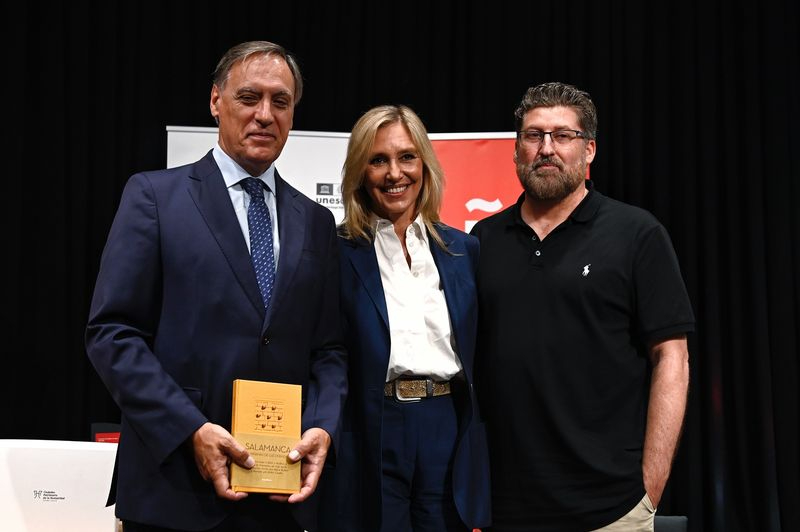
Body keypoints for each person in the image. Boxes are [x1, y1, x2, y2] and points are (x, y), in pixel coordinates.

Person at [85, 41, 347, 532]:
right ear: (215, 102)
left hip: (279, 495)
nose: (265, 115)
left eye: (281, 101)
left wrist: (322, 426)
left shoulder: (314, 222)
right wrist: (190, 429)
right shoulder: (155, 197)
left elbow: (328, 349)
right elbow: (113, 334)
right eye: (249, 97)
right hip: (176, 487)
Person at [470, 82, 694, 531]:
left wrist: (650, 486)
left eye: (562, 136)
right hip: (505, 508)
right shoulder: (482, 240)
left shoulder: (636, 233)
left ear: (589, 150)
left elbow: (672, 357)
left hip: (611, 508)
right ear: (516, 150)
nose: (546, 148)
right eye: (533, 136)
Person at [317, 105, 491, 531]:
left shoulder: (463, 250)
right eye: (378, 160)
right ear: (360, 171)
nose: (395, 173)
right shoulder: (334, 251)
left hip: (446, 424)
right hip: (373, 426)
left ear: (425, 165)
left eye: (407, 157)